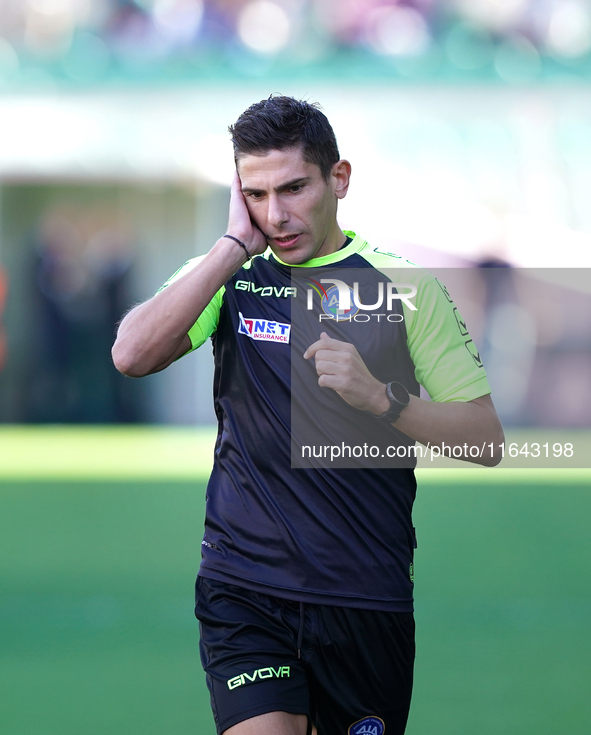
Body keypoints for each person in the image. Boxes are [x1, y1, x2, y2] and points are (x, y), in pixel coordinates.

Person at [112, 96, 504, 735]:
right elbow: (131, 353)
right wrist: (231, 247)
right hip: (244, 582)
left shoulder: (403, 286)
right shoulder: (230, 276)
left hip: (362, 591)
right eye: (256, 194)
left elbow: (485, 438)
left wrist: (382, 399)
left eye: (293, 188)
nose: (276, 214)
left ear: (338, 179)